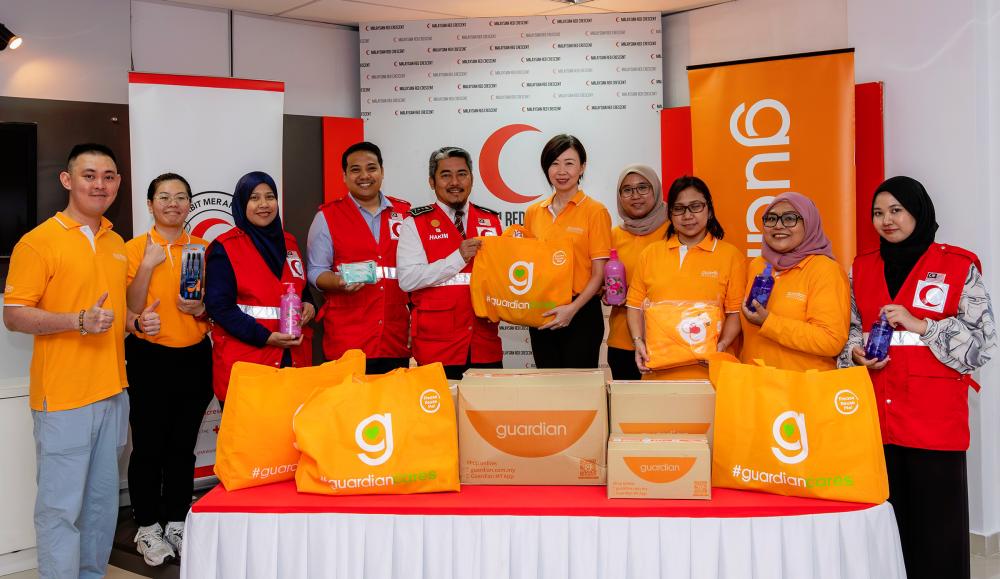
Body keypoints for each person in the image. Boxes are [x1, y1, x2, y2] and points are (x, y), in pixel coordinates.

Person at [3, 143, 159, 579]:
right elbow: (13, 314)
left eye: (109, 176)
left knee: (100, 508)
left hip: (112, 392)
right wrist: (76, 320)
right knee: (60, 508)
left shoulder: (114, 242)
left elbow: (113, 312)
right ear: (67, 180)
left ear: (118, 185)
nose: (100, 184)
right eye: (89, 175)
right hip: (64, 398)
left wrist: (134, 321)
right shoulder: (38, 242)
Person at [839, 176, 996, 579]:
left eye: (896, 210)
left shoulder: (958, 265)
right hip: (877, 419)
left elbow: (983, 346)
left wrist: (923, 325)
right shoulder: (862, 266)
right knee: (886, 529)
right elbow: (852, 329)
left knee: (938, 536)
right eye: (878, 212)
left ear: (918, 211)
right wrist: (855, 352)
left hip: (933, 422)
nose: (886, 220)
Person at [123, 173, 213, 566]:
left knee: (182, 446)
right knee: (148, 446)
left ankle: (176, 519)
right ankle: (146, 526)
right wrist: (147, 265)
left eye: (180, 197)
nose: (172, 203)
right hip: (149, 358)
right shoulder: (131, 249)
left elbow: (217, 305)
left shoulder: (204, 248)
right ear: (150, 204)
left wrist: (203, 308)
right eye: (164, 196)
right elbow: (130, 304)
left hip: (194, 357)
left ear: (190, 204)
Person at [204, 171, 315, 403]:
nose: (264, 204)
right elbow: (219, 307)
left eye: (270, 196)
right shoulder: (224, 248)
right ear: (242, 203)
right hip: (248, 363)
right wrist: (266, 337)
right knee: (249, 438)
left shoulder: (290, 242)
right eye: (254, 198)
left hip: (293, 360)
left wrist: (309, 305)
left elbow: (300, 288)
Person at [397, 146, 503, 380]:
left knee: (486, 414)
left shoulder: (492, 220)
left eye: (462, 174)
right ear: (432, 182)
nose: (455, 182)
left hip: (484, 344)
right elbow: (407, 280)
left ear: (471, 178)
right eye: (445, 175)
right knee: (439, 416)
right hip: (437, 347)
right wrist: (458, 258)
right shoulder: (414, 223)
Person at [626, 175, 746, 379]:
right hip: (657, 370)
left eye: (696, 206)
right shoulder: (651, 253)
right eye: (679, 208)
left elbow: (735, 313)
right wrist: (638, 342)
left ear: (709, 210)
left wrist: (721, 347)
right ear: (670, 214)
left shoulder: (731, 256)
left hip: (709, 374)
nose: (688, 215)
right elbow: (634, 306)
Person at [307, 142, 412, 374]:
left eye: (371, 168)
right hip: (347, 341)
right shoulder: (327, 217)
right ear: (344, 176)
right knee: (350, 408)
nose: (364, 176)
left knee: (393, 407)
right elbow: (315, 271)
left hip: (396, 339)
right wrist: (338, 282)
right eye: (355, 170)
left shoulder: (406, 214)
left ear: (382, 172)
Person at [523, 134, 612, 368]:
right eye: (554, 163)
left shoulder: (595, 211)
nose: (561, 171)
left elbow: (598, 273)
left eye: (569, 163)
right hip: (542, 311)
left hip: (581, 312)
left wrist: (572, 309)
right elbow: (528, 265)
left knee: (579, 393)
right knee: (548, 390)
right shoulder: (534, 212)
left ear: (582, 167)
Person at [740, 191, 850, 371]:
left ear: (809, 223)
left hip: (803, 391)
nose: (778, 225)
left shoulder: (825, 270)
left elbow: (831, 340)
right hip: (756, 388)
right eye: (771, 218)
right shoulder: (757, 265)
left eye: (790, 218)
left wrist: (769, 322)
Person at [605, 165, 670, 380]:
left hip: (667, 339)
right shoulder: (613, 236)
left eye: (643, 187)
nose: (635, 196)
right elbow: (602, 280)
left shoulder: (675, 230)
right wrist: (604, 291)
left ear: (656, 190)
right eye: (627, 190)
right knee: (627, 411)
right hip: (622, 340)